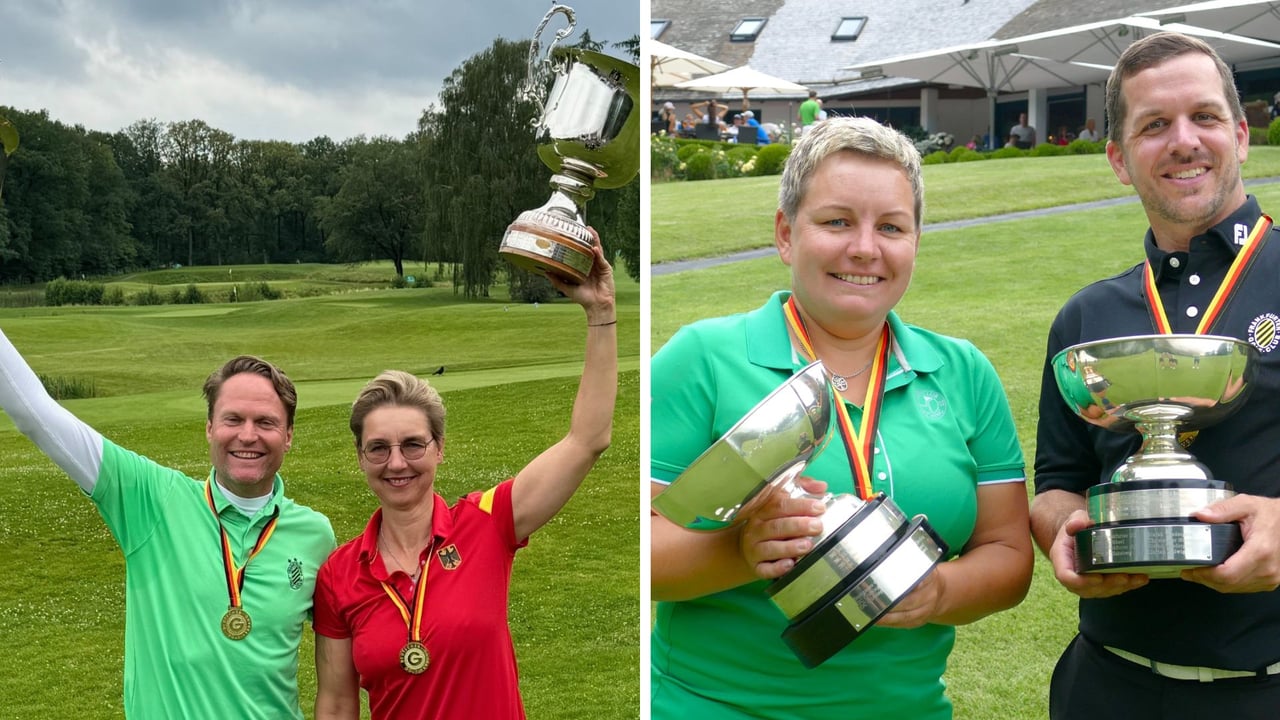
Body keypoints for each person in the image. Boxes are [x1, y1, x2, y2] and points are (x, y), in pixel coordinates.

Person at [650, 117, 1032, 719]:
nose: (864, 248)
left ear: (915, 242)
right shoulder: (704, 359)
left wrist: (938, 591)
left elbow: (1008, 554)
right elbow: (638, 551)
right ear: (786, 234)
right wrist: (742, 549)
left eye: (891, 227)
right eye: (836, 221)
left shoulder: (963, 372)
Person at [1031, 31, 1280, 720]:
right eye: (1154, 126)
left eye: (1204, 117)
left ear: (1240, 135)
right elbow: (1056, 482)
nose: (1183, 141)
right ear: (1119, 158)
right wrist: (1065, 531)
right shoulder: (1087, 318)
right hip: (1109, 686)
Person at [312, 235, 617, 720]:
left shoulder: (487, 523)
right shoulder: (339, 574)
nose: (397, 463)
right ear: (361, 457)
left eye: (413, 444)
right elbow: (336, 702)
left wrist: (600, 313)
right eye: (379, 448)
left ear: (439, 448)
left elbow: (587, 440)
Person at [0, 340, 336, 718]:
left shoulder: (315, 535)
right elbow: (34, 413)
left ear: (288, 436)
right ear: (209, 428)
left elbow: (345, 660)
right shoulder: (151, 500)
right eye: (232, 419)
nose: (247, 435)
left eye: (265, 422)